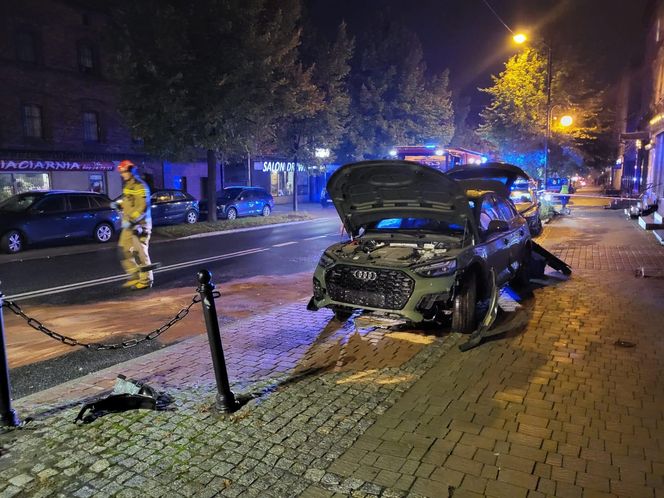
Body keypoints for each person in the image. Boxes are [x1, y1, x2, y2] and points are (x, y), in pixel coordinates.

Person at [115, 160, 154, 290]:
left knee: (140, 252)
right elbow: (128, 201)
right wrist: (119, 204)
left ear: (131, 171)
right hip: (129, 225)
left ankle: (146, 280)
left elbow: (143, 207)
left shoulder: (140, 186)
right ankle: (135, 275)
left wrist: (133, 220)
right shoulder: (128, 185)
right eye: (121, 172)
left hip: (140, 225)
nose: (122, 174)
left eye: (124, 172)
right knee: (123, 250)